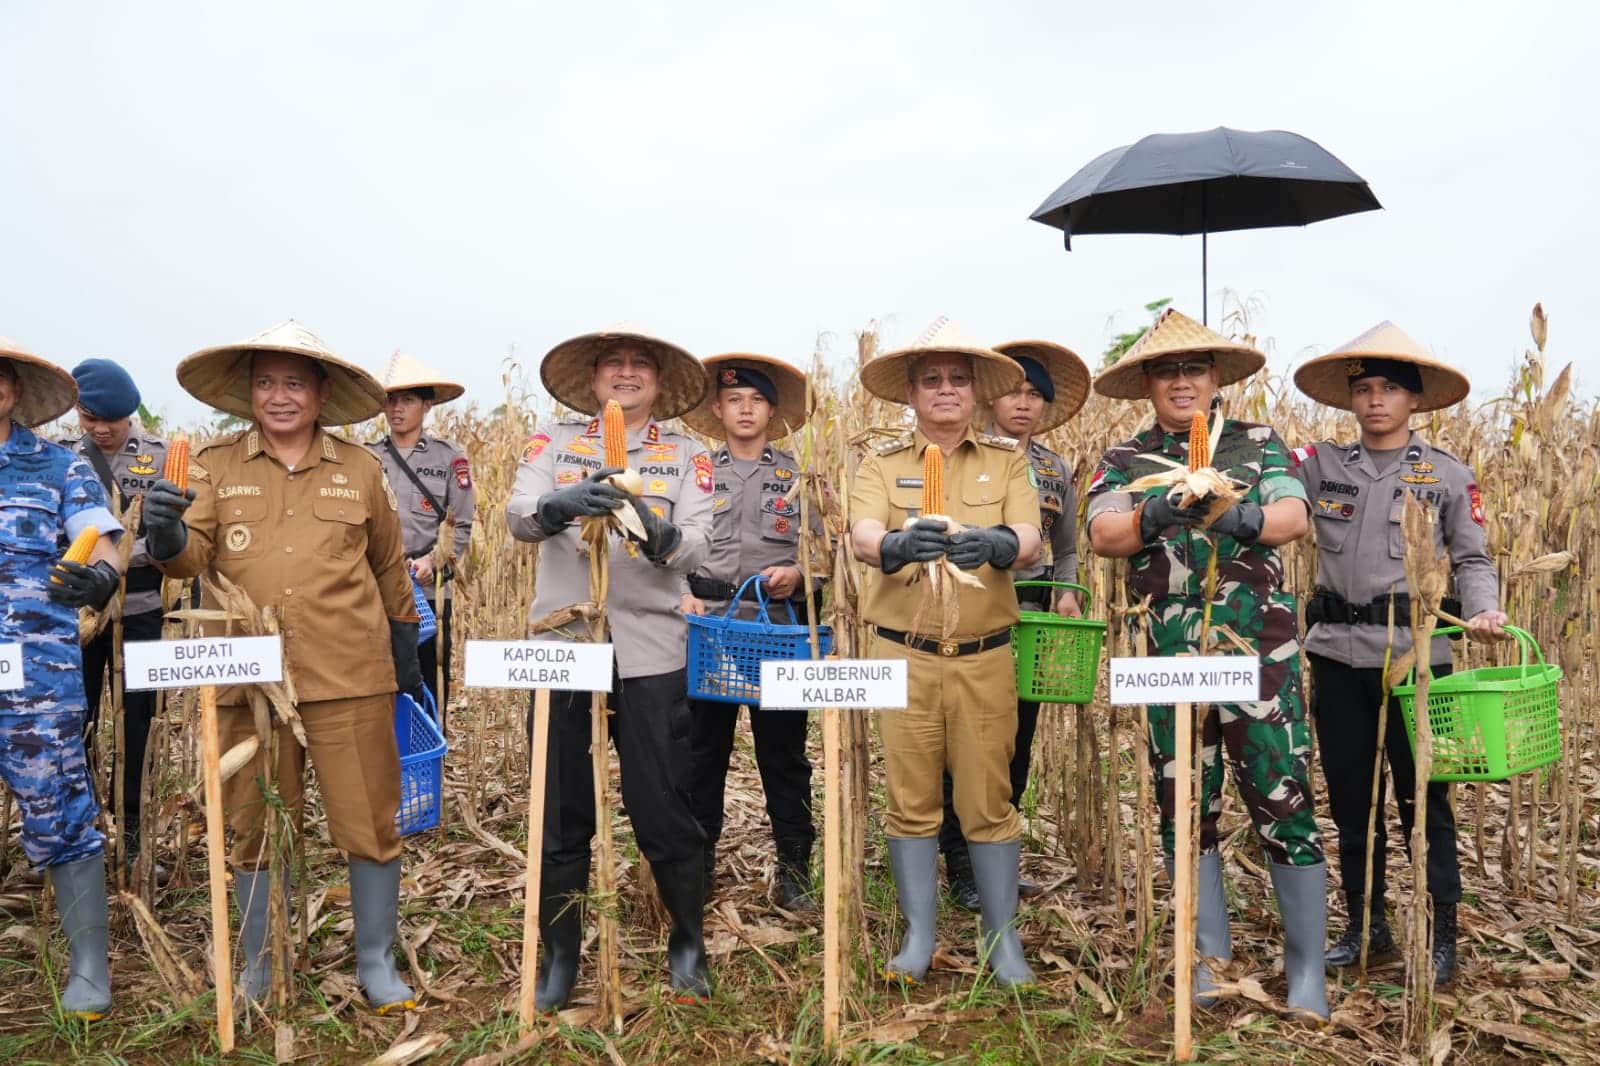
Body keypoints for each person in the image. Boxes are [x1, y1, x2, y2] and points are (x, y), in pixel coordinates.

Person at [144, 321, 424, 1013]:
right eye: (266, 381)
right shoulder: (213, 465)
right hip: (250, 677)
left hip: (348, 673)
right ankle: (261, 966)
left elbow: (390, 566)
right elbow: (187, 560)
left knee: (369, 819)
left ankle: (375, 962)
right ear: (248, 391)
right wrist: (166, 528)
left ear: (321, 393)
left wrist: (406, 652)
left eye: (294, 382)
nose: (279, 395)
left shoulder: (359, 469)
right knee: (253, 825)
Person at [1083, 308, 1328, 1019]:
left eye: (1194, 368)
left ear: (1215, 377)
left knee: (1282, 798)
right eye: (1167, 370)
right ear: (1147, 384)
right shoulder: (1126, 459)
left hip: (1260, 655)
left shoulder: (1256, 444)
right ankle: (1206, 961)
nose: (1182, 381)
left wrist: (1238, 518)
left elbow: (1292, 515)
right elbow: (1103, 533)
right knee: (1182, 805)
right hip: (1171, 653)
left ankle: (1306, 970)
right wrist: (1153, 516)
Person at [505, 325, 714, 1008]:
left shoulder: (687, 453)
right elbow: (518, 515)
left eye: (641, 366)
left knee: (662, 803)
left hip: (650, 648)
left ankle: (687, 940)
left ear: (658, 382)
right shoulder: (554, 441)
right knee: (563, 810)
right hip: (566, 647)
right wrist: (560, 504)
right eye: (613, 365)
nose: (626, 374)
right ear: (594, 380)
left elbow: (699, 543)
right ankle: (560, 958)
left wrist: (660, 534)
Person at [1291, 322, 1504, 987]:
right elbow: (1261, 474)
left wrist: (1483, 609)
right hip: (1335, 654)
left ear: (1414, 401)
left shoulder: (1445, 474)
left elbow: (1471, 557)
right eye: (1364, 389)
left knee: (1424, 802)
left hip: (1417, 659)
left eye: (1389, 390)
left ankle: (1442, 936)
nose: (1374, 401)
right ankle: (1365, 927)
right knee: (1352, 802)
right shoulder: (1321, 466)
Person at [848, 318, 1041, 988]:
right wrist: (897, 545)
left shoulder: (1008, 462)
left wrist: (996, 546)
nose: (946, 390)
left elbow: (1030, 537)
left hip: (984, 655)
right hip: (902, 654)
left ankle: (1001, 937)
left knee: (988, 799)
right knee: (911, 798)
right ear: (912, 393)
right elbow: (865, 534)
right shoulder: (882, 465)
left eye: (958, 378)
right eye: (932, 380)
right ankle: (918, 936)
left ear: (975, 392)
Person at [937, 339, 1089, 911]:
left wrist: (1068, 598)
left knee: (1014, 740)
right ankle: (959, 865)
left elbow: (1067, 547)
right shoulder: (970, 458)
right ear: (992, 400)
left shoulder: (1053, 468)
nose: (1023, 405)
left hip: (1035, 614)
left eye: (1035, 396)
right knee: (964, 744)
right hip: (976, 607)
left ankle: (994, 860)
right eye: (1014, 393)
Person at [0, 339, 125, 1019]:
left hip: (36, 683)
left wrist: (101, 575)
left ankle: (88, 966)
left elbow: (99, 534)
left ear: (14, 389)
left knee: (61, 814)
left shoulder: (58, 467)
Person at [679, 353, 824, 911]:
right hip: (709, 627)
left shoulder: (797, 476)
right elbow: (667, 545)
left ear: (771, 411)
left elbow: (828, 552)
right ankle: (698, 865)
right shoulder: (695, 472)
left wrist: (801, 576)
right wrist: (681, 593)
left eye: (756, 400)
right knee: (702, 751)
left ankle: (794, 871)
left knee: (785, 754)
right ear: (718, 408)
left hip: (777, 628)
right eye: (734, 400)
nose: (745, 409)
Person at [65, 357, 169, 873]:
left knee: (138, 725)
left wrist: (128, 556)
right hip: (80, 619)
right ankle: (82, 829)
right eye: (89, 418)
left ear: (130, 413)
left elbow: (176, 536)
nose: (101, 429)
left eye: (112, 419)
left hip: (142, 613)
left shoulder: (161, 456)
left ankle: (132, 831)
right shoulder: (64, 458)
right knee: (77, 722)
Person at [367, 352, 476, 724]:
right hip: (376, 589)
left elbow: (461, 524)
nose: (397, 409)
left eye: (408, 400)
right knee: (376, 680)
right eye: (391, 400)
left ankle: (428, 750)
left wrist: (435, 561)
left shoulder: (450, 458)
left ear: (427, 406)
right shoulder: (366, 458)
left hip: (428, 595)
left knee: (427, 679)